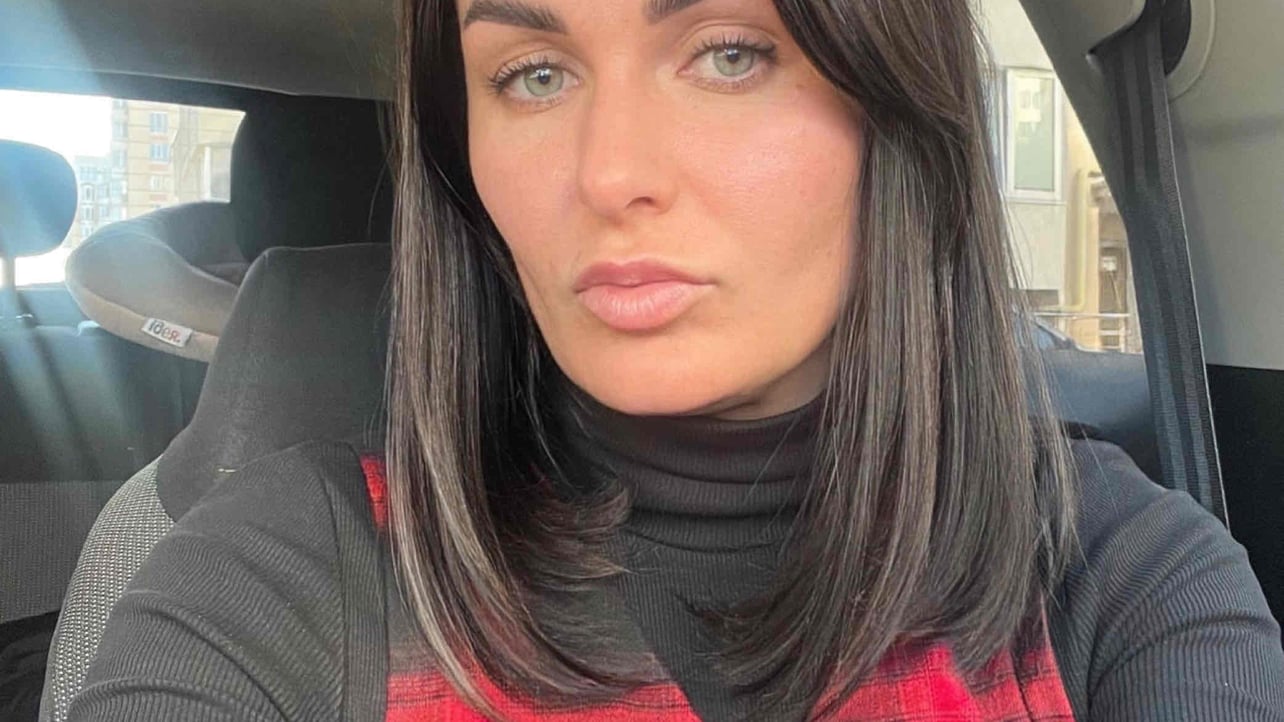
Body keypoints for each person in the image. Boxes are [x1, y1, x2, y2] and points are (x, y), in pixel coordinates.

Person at [69, 0, 1284, 720]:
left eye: (729, 52)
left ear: (897, 107)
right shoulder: (278, 575)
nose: (608, 172)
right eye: (533, 74)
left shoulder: (1120, 576)